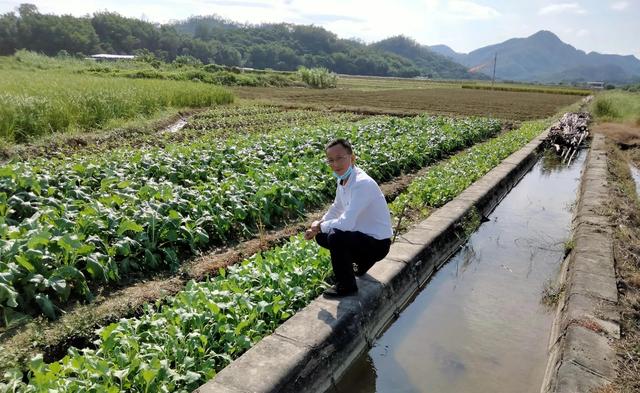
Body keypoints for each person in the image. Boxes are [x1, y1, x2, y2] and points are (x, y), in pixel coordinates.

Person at [304, 138, 393, 297]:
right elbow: (337, 207)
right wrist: (318, 225)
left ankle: (346, 285)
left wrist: (320, 226)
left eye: (340, 158)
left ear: (352, 158)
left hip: (378, 244)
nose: (335, 164)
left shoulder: (362, 183)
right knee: (322, 236)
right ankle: (361, 263)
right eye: (331, 160)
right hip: (362, 238)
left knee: (336, 237)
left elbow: (346, 223)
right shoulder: (343, 180)